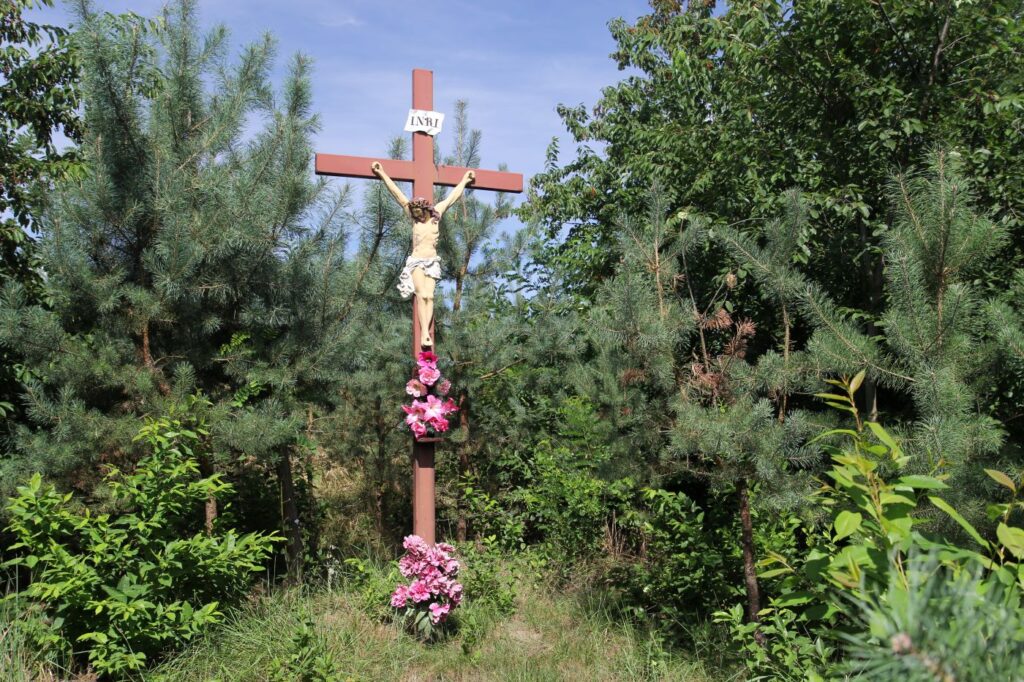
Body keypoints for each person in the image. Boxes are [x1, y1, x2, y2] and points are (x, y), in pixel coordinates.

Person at [371, 161, 475, 347]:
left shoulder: (436, 215)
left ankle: (427, 330)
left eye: (419, 213)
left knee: (430, 296)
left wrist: (465, 181)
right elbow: (397, 194)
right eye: (415, 213)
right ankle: (425, 334)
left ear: (426, 209)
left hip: (432, 261)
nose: (417, 216)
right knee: (421, 295)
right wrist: (382, 174)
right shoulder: (413, 219)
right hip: (417, 261)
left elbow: (452, 197)